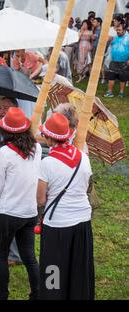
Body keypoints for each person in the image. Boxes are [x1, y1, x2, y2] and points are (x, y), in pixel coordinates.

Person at [0, 107, 41, 300]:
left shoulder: (4, 153)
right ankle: (37, 293)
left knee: (0, 255)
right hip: (30, 212)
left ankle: (2, 296)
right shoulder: (37, 148)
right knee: (29, 256)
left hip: (9, 212)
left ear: (6, 131)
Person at [37, 113, 94, 300]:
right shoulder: (83, 158)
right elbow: (86, 186)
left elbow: (40, 199)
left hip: (57, 224)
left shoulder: (47, 164)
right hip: (82, 221)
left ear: (49, 138)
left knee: (53, 270)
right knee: (79, 268)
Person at [0, 97, 23, 266]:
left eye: (6, 108)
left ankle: (13, 255)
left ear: (16, 109)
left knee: (6, 213)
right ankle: (14, 252)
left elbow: (18, 149)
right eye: (0, 107)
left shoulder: (18, 128)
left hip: (10, 175)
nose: (2, 111)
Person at [104, 24, 129, 98]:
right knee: (111, 76)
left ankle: (121, 92)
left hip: (124, 61)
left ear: (124, 30)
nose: (117, 31)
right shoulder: (114, 38)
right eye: (117, 30)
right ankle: (109, 92)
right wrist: (108, 41)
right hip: (114, 60)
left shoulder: (128, 38)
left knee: (122, 78)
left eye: (119, 30)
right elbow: (109, 45)